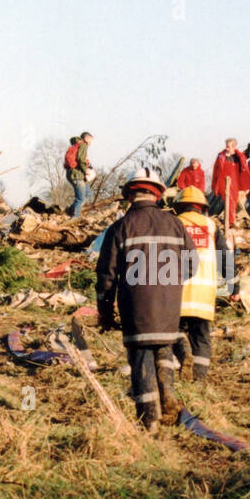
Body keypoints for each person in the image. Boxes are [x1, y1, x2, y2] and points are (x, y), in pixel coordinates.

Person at [96, 169, 196, 432]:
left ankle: (150, 422)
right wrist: (171, 283)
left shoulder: (120, 227)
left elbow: (106, 275)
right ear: (157, 195)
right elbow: (192, 266)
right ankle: (169, 397)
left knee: (141, 360)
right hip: (168, 308)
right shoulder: (176, 224)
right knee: (163, 351)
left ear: (130, 195)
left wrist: (105, 313)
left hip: (135, 309)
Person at [171, 187, 236, 382]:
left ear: (179, 207)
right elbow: (225, 257)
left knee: (175, 331)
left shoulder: (173, 223)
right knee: (202, 337)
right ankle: (198, 380)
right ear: (202, 207)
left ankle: (183, 357)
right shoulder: (211, 225)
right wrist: (235, 287)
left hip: (177, 291)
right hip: (204, 294)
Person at [209, 138, 241, 227]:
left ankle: (231, 218)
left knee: (234, 200)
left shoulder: (239, 156)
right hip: (223, 180)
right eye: (226, 146)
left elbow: (244, 170)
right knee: (228, 200)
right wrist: (214, 184)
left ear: (234, 146)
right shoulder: (221, 156)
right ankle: (232, 221)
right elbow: (216, 170)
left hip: (235, 181)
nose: (226, 148)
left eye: (229, 146)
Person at [65, 131, 94, 218]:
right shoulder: (83, 145)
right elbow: (81, 159)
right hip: (77, 175)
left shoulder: (76, 145)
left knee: (88, 194)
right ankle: (74, 218)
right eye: (91, 140)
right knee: (80, 198)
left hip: (73, 174)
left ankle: (69, 211)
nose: (91, 143)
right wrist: (85, 170)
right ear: (86, 138)